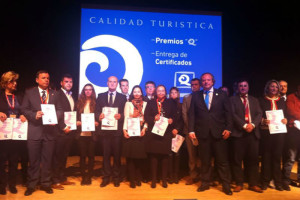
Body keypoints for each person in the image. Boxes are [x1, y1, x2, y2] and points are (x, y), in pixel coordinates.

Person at [188, 72, 233, 195]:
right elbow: (192, 114)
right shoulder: (196, 95)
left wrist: (229, 128)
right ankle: (205, 183)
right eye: (204, 80)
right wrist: (191, 130)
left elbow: (228, 113)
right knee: (205, 161)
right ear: (201, 82)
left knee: (222, 161)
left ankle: (226, 185)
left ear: (213, 81)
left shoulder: (222, 94)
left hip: (219, 133)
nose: (206, 82)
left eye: (208, 80)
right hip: (202, 133)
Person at [21, 70, 63, 196]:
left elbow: (60, 109)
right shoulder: (29, 93)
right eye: (43, 78)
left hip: (50, 132)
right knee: (33, 161)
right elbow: (24, 108)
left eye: (48, 78)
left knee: (47, 160)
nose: (46, 80)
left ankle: (46, 183)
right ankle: (32, 185)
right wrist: (34, 115)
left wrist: (56, 117)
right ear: (37, 80)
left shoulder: (55, 94)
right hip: (34, 131)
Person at [230, 79, 263, 193]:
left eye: (245, 86)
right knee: (237, 160)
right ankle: (239, 183)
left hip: (253, 134)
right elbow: (232, 115)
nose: (243, 87)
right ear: (237, 88)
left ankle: (253, 184)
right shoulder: (232, 100)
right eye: (241, 86)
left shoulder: (254, 100)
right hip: (239, 133)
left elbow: (259, 114)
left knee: (253, 160)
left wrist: (252, 125)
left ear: (248, 87)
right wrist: (244, 125)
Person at [95, 76, 127, 187]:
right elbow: (96, 111)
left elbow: (126, 113)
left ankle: (116, 177)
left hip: (117, 132)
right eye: (110, 82)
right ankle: (106, 177)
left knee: (117, 155)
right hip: (105, 131)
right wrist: (99, 116)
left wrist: (121, 116)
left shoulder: (123, 98)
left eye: (114, 82)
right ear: (107, 83)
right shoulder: (100, 96)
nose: (112, 83)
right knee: (105, 155)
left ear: (117, 84)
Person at [0, 71, 27, 195]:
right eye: (12, 81)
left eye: (15, 81)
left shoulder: (20, 96)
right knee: (1, 160)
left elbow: (25, 110)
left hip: (16, 134)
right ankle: (1, 185)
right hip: (3, 134)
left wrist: (23, 115)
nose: (15, 84)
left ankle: (12, 185)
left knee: (14, 160)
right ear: (5, 83)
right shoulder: (0, 96)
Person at [144, 85, 176, 188]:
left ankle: (164, 180)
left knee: (165, 157)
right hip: (154, 133)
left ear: (165, 92)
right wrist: (153, 118)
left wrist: (172, 120)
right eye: (159, 90)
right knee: (153, 156)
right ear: (156, 92)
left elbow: (176, 116)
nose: (161, 92)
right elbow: (146, 116)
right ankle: (153, 180)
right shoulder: (151, 102)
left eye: (163, 90)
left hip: (166, 133)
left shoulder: (170, 102)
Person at [259, 80, 287, 191]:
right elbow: (258, 115)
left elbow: (286, 115)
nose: (274, 88)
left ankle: (277, 182)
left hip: (279, 133)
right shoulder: (261, 100)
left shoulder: (282, 101)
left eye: (276, 87)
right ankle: (265, 181)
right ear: (268, 88)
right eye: (272, 86)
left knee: (276, 157)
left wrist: (285, 120)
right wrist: (263, 121)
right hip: (266, 132)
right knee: (266, 157)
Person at [52, 74, 76, 190]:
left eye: (70, 82)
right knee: (57, 157)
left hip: (69, 131)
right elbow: (57, 113)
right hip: (60, 131)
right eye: (66, 81)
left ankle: (61, 177)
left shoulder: (71, 96)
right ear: (61, 83)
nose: (69, 84)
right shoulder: (57, 95)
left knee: (64, 156)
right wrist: (63, 127)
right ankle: (55, 180)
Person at [122, 85, 148, 188]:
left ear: (141, 93)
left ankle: (138, 178)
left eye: (138, 91)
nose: (137, 93)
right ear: (133, 93)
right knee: (130, 158)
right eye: (135, 91)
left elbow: (147, 119)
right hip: (130, 133)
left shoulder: (146, 104)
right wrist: (124, 130)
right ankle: (132, 180)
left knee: (139, 158)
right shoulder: (128, 104)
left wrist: (145, 129)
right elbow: (126, 117)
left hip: (141, 133)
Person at [76, 84, 98, 185]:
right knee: (82, 156)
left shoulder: (96, 103)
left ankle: (89, 176)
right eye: (86, 90)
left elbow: (99, 117)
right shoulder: (79, 103)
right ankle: (83, 176)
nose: (88, 91)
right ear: (83, 91)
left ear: (92, 91)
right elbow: (75, 117)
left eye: (90, 90)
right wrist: (77, 122)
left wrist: (97, 122)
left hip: (92, 134)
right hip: (82, 133)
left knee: (91, 156)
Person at [182, 78, 201, 185]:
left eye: (196, 84)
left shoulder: (204, 96)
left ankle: (204, 176)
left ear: (200, 85)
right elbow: (184, 114)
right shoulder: (186, 98)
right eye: (192, 85)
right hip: (189, 131)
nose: (194, 86)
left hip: (202, 132)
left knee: (203, 156)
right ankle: (193, 176)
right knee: (192, 156)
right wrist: (191, 130)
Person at [282, 83, 300, 190]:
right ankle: (286, 180)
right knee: (291, 158)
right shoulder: (291, 97)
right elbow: (291, 111)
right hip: (293, 131)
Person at [168, 87, 183, 184]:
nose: (173, 94)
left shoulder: (181, 105)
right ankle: (169, 175)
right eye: (171, 92)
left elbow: (182, 119)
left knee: (177, 155)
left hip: (178, 132)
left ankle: (176, 175)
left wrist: (177, 129)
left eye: (175, 92)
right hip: (168, 132)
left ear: (178, 94)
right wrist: (171, 129)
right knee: (169, 155)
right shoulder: (166, 104)